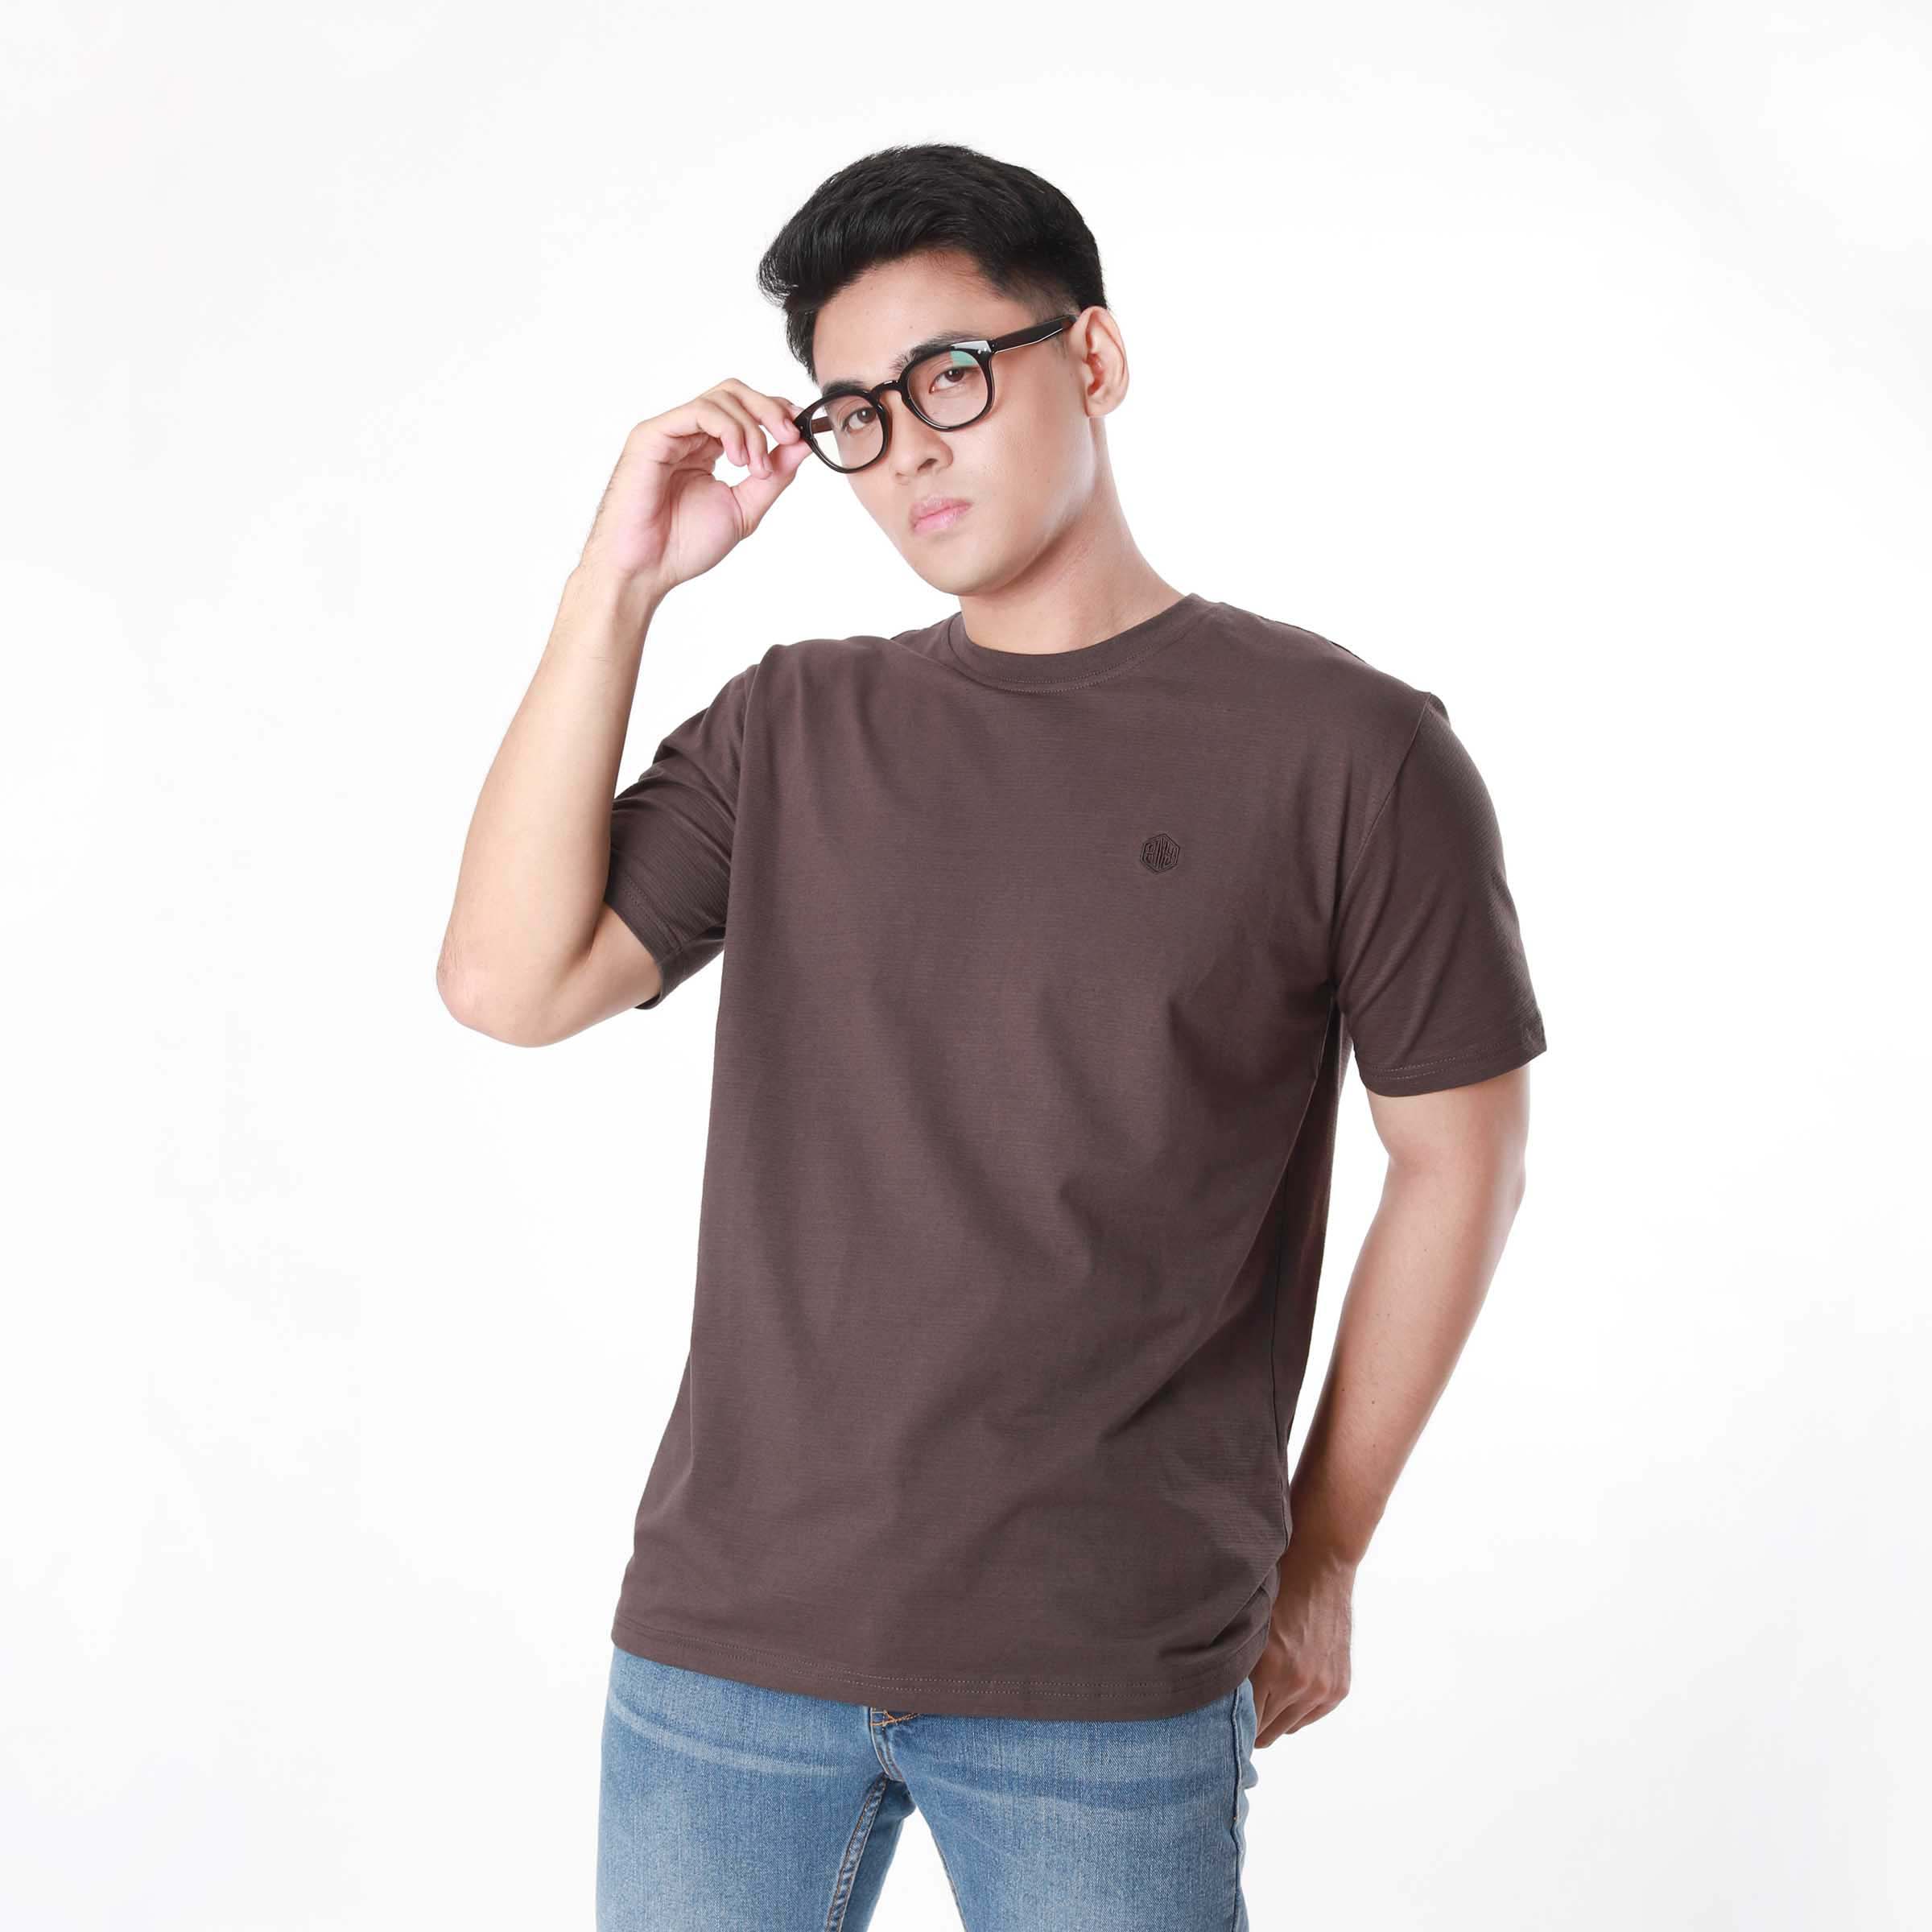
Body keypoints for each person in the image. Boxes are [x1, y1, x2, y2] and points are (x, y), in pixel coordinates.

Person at [436, 141, 1547, 1932]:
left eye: (951, 374)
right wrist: (620, 583)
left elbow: (1461, 1161)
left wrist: (1326, 1552)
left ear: (1091, 357)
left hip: (1105, 1673)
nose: (909, 448)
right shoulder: (798, 725)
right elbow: (510, 983)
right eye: (856, 414)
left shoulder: (1348, 748)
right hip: (729, 1652)